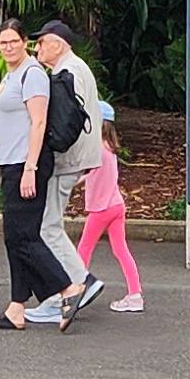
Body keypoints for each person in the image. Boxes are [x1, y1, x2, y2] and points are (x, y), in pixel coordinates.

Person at [0, 18, 75, 330]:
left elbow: (39, 123)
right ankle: (16, 308)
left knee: (23, 237)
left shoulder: (32, 74)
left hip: (27, 163)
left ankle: (68, 288)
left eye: (13, 41)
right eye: (3, 42)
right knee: (15, 237)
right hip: (12, 163)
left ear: (24, 42)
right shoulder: (12, 74)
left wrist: (30, 169)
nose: (8, 47)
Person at [34, 20, 113, 315]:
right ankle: (72, 286)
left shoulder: (67, 71)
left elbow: (66, 117)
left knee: (47, 226)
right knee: (49, 224)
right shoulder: (74, 68)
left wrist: (49, 146)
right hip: (77, 157)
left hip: (67, 158)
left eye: (41, 42)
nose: (37, 48)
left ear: (58, 45)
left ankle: (78, 283)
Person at [70, 97, 142, 315]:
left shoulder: (96, 151)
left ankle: (75, 293)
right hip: (116, 205)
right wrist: (79, 181)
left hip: (101, 208)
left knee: (83, 249)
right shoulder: (108, 149)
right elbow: (94, 173)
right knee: (121, 250)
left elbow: (86, 167)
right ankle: (135, 295)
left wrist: (71, 181)